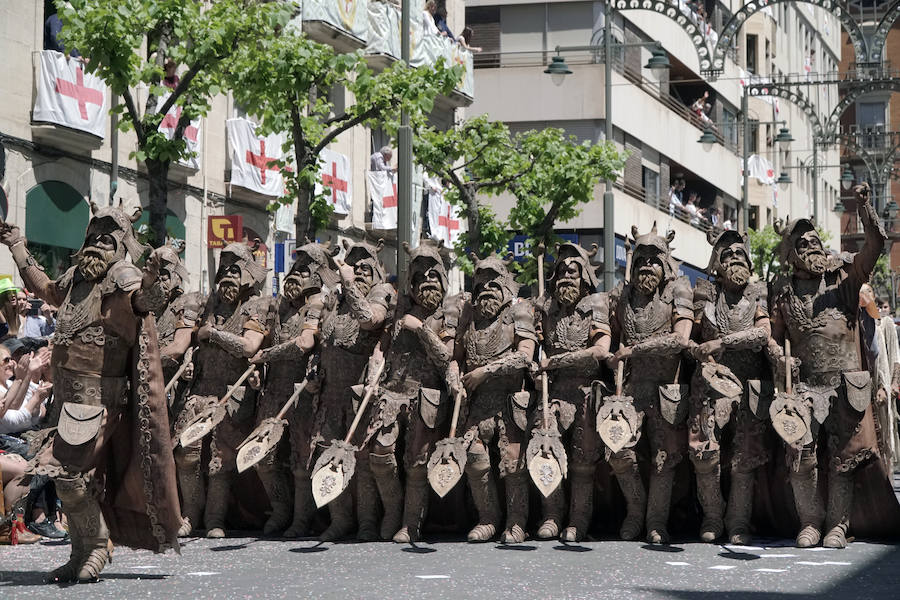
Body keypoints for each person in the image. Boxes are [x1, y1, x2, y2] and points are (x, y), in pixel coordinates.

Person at [0, 202, 181, 582]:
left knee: (69, 476)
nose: (98, 244)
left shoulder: (123, 275)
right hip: (66, 402)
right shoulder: (77, 277)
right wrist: (18, 246)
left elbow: (141, 304)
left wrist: (152, 286)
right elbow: (48, 289)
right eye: (93, 236)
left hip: (100, 402)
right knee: (69, 478)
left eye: (107, 238)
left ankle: (96, 545)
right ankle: (81, 551)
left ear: (121, 244)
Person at [769, 183, 900, 548]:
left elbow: (874, 247)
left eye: (813, 240)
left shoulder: (843, 278)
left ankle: (838, 526)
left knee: (843, 460)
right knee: (802, 456)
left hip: (844, 387)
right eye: (802, 243)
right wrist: (779, 358)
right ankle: (810, 522)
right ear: (791, 254)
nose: (810, 246)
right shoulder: (783, 291)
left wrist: (864, 207)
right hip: (805, 387)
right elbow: (775, 336)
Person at [359, 240, 461, 543]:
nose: (426, 282)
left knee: (417, 464)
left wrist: (420, 328)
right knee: (380, 455)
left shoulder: (449, 312)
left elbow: (447, 355)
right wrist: (373, 371)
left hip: (426, 395)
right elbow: (382, 345)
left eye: (432, 276)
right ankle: (392, 511)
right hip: (391, 393)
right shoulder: (397, 308)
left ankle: (410, 523)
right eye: (419, 278)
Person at [174, 241, 268, 538]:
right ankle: (191, 513)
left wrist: (213, 333)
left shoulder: (256, 305)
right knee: (186, 453)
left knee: (220, 460)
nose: (228, 275)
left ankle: (215, 518)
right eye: (224, 268)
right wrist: (190, 359)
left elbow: (249, 345)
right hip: (200, 389)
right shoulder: (206, 304)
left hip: (232, 393)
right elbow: (192, 342)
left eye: (235, 269)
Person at [607, 224, 693, 544]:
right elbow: (609, 339)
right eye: (640, 259)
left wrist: (636, 349)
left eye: (654, 260)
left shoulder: (680, 291)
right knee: (618, 451)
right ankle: (636, 509)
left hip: (667, 391)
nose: (646, 265)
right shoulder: (621, 295)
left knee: (664, 458)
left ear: (666, 264)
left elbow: (681, 339)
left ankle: (656, 521)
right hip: (632, 389)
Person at [689, 230, 773, 544]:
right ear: (718, 264)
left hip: (749, 388)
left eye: (740, 253)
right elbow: (692, 338)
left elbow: (763, 333)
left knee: (744, 458)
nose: (735, 258)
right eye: (727, 254)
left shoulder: (758, 293)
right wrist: (696, 349)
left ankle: (738, 521)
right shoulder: (705, 293)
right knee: (704, 457)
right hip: (708, 390)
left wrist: (724, 342)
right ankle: (712, 516)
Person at [248, 241, 334, 537]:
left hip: (303, 393)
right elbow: (260, 345)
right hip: (273, 391)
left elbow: (305, 343)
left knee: (301, 462)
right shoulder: (274, 306)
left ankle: (301, 518)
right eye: (294, 270)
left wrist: (266, 356)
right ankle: (281, 509)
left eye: (304, 271)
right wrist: (257, 371)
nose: (296, 276)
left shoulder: (317, 306)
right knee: (263, 456)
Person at [312, 239, 395, 542]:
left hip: (361, 392)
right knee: (327, 454)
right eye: (353, 266)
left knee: (360, 459)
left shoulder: (381, 293)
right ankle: (340, 519)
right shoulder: (337, 299)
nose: (358, 271)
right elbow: (324, 338)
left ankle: (367, 521)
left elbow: (370, 320)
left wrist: (349, 284)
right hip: (330, 391)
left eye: (364, 267)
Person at [454, 254, 537, 544]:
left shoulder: (520, 312)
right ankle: (487, 518)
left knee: (513, 462)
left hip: (509, 402)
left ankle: (517, 522)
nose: (487, 288)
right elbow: (456, 358)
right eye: (481, 283)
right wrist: (456, 378)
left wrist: (485, 372)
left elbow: (525, 355)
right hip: (477, 405)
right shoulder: (469, 316)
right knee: (475, 459)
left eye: (494, 282)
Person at [534, 242, 610, 542]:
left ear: (584, 277)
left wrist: (557, 360)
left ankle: (578, 519)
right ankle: (551, 515)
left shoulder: (596, 305)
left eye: (573, 271)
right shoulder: (545, 307)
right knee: (546, 455)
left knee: (582, 463)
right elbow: (533, 347)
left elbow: (601, 350)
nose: (566, 276)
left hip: (584, 395)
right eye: (562, 271)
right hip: (551, 394)